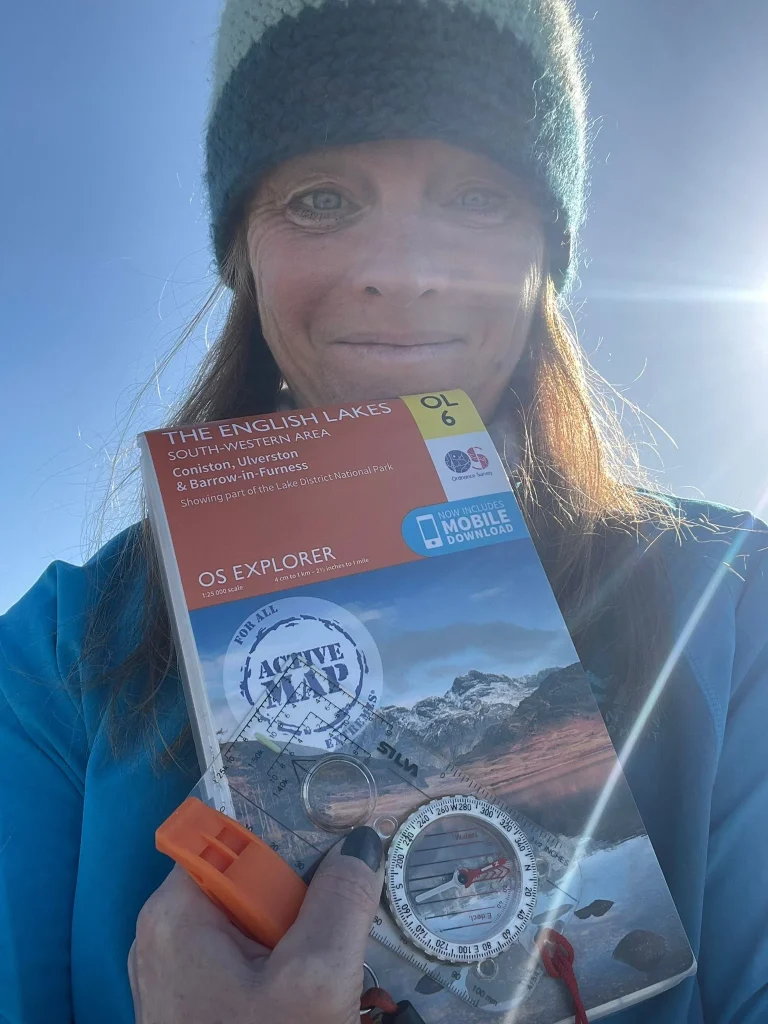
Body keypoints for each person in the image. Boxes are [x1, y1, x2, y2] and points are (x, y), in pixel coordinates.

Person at [1, 0, 766, 1021]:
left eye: (478, 196)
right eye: (321, 198)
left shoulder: (734, 606)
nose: (402, 274)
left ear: (547, 253)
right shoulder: (59, 661)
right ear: (244, 252)